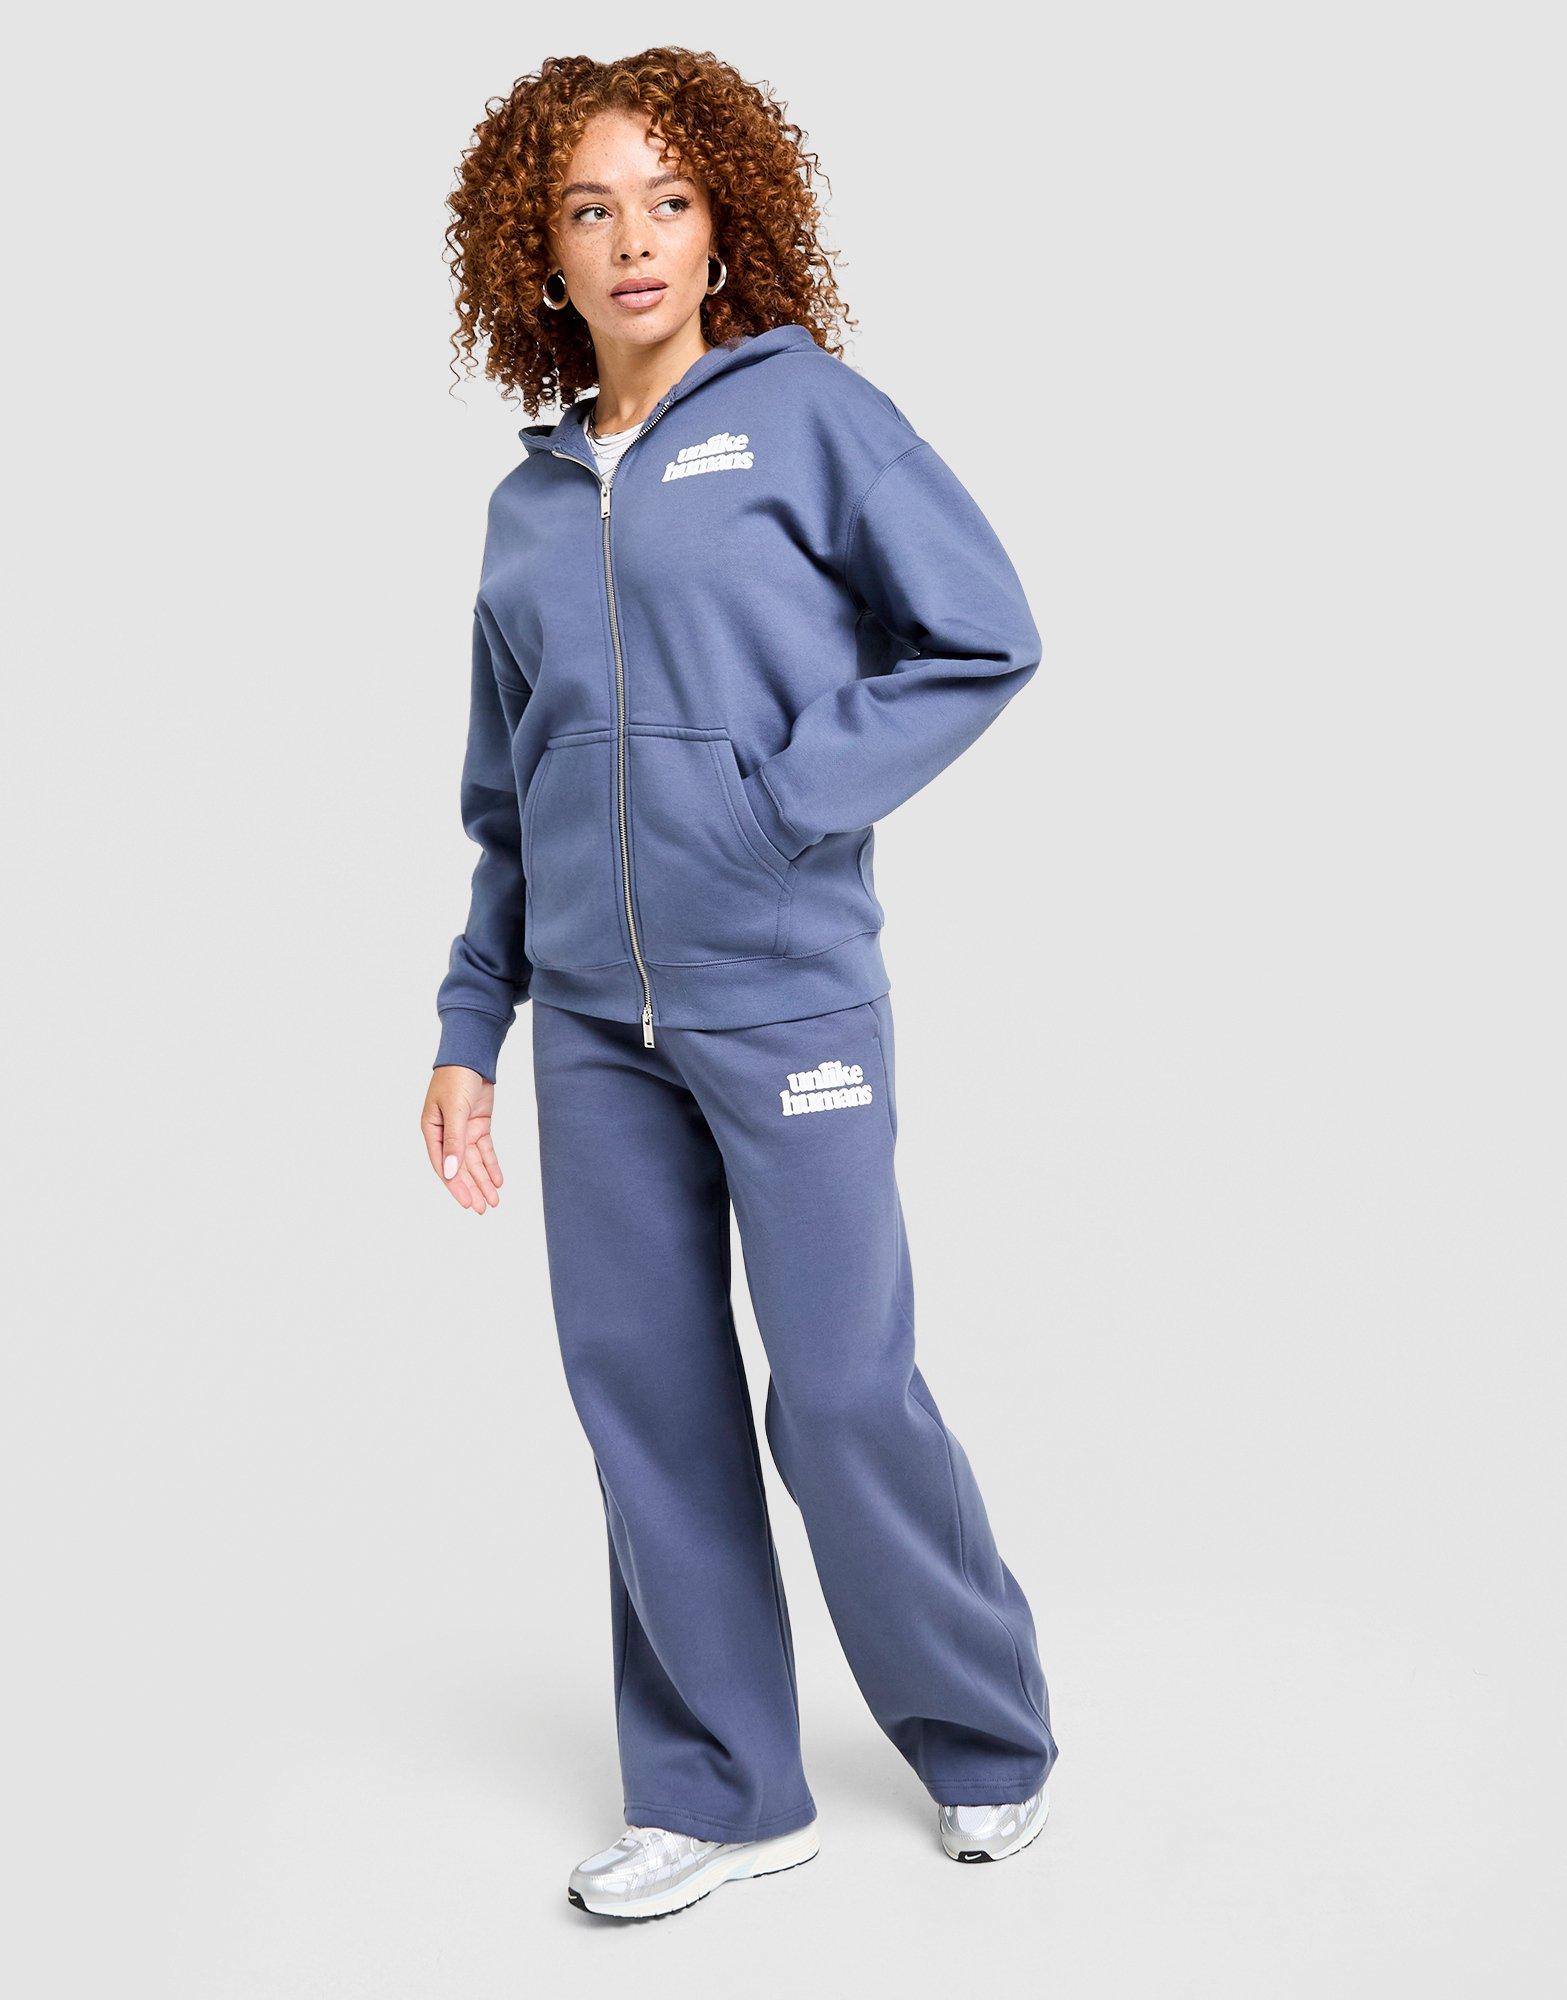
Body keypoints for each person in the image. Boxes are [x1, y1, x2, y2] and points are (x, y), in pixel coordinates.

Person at [421, 47, 1059, 1922]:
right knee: (647, 1401)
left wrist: (779, 803)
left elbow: (983, 633)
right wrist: (469, 1026)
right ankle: (721, 1791)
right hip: (591, 1030)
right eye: (590, 208)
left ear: (725, 225)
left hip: (785, 998)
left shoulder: (811, 417)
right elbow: (508, 798)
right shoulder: (532, 505)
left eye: (670, 200)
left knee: (842, 1392)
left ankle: (987, 1738)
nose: (634, 240)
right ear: (539, 252)